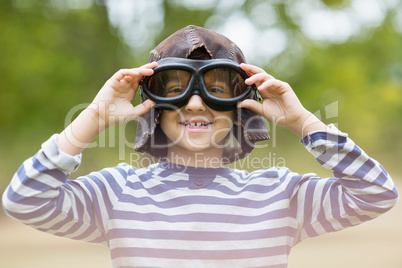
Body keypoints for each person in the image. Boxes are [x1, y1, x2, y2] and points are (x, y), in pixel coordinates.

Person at [2, 25, 399, 268]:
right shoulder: (119, 194)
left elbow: (376, 194)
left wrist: (302, 121)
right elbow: (23, 200)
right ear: (153, 107)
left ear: (241, 105)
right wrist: (94, 117)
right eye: (174, 90)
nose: (194, 103)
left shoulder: (278, 195)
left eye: (215, 91)